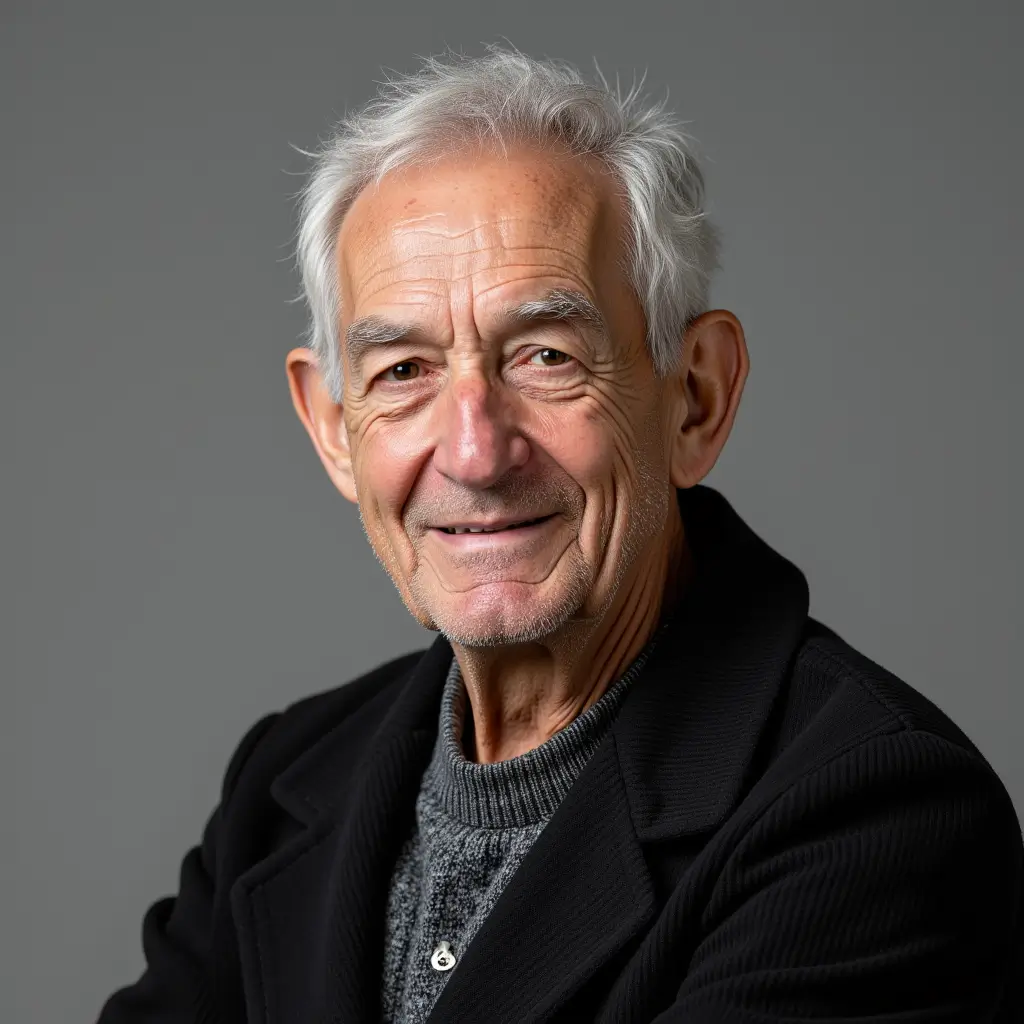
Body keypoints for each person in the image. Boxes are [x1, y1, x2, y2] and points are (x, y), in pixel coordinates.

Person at [97, 47, 1023, 1023]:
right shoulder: (284, 782)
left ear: (695, 398)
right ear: (334, 429)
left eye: (546, 356)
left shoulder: (874, 815)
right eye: (403, 371)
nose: (474, 453)